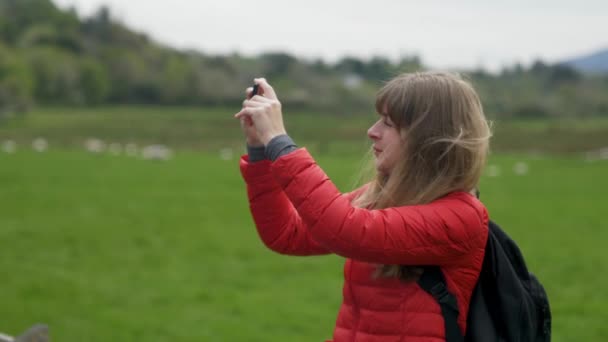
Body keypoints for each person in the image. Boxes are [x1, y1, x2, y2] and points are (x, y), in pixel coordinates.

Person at [235, 72, 491, 342]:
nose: (373, 131)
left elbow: (345, 229)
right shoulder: (380, 198)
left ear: (427, 138)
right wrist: (260, 148)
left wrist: (278, 141)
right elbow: (286, 233)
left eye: (388, 123)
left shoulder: (462, 217)